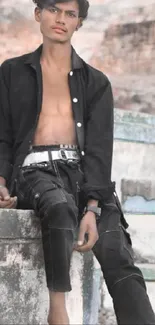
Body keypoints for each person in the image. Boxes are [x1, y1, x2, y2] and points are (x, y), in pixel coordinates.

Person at [0, 0, 155, 324]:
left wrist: (95, 207)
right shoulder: (11, 72)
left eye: (70, 14)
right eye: (54, 9)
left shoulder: (97, 83)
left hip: (84, 178)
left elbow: (99, 150)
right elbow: (3, 135)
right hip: (33, 171)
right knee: (58, 207)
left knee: (117, 254)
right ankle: (58, 314)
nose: (61, 19)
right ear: (38, 13)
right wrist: (0, 180)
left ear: (79, 23)